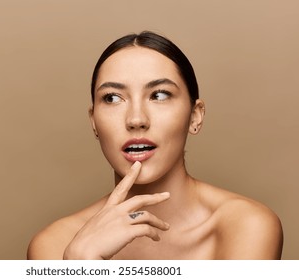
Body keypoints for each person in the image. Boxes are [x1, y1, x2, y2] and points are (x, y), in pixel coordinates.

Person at [27, 31, 283, 260]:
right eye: (113, 98)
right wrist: (81, 263)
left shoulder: (247, 226)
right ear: (94, 122)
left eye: (159, 95)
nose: (136, 119)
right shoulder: (57, 245)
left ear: (195, 116)